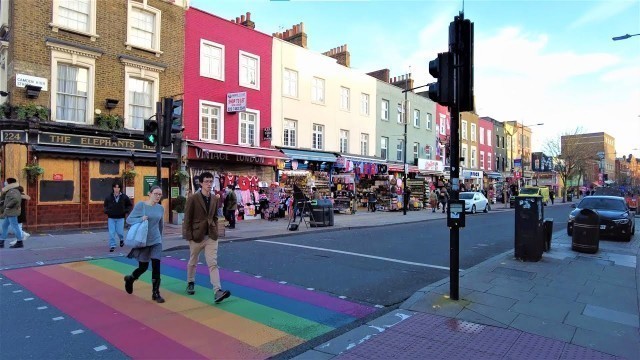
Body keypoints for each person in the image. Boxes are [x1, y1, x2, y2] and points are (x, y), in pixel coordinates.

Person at [182, 172, 231, 304]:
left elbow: (214, 216)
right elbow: (187, 218)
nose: (209, 184)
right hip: (196, 235)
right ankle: (190, 282)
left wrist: (215, 227)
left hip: (211, 235)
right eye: (207, 182)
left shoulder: (215, 198)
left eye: (211, 181)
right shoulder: (193, 198)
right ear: (201, 183)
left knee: (213, 263)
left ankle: (217, 291)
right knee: (193, 261)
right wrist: (188, 235)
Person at [123, 186, 166, 303]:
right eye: (156, 194)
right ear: (149, 193)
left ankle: (156, 293)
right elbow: (129, 220)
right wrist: (140, 219)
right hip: (143, 241)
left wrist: (160, 238)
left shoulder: (161, 208)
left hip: (156, 241)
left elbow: (160, 224)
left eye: (160, 194)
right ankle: (130, 278)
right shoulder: (141, 206)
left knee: (156, 265)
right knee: (143, 267)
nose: (158, 196)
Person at [104, 180, 133, 252]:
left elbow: (129, 205)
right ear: (113, 188)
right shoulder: (109, 197)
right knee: (111, 232)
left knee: (120, 232)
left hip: (120, 218)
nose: (116, 189)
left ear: (120, 188)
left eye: (118, 187)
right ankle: (112, 245)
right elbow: (105, 206)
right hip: (111, 218)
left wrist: (125, 211)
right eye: (115, 187)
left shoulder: (124, 197)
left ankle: (121, 239)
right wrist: (107, 211)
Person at [0, 178, 24, 249]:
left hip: (12, 212)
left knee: (15, 227)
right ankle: (1, 241)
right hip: (9, 212)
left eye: (6, 182)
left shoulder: (13, 191)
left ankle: (20, 242)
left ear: (10, 183)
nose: (5, 183)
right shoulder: (11, 190)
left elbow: (15, 200)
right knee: (4, 226)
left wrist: (7, 206)